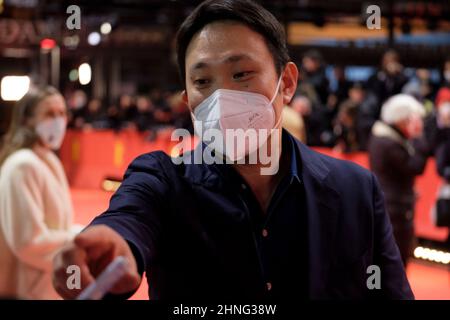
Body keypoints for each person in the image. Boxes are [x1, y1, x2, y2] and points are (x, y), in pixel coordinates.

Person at [53, 0, 413, 300]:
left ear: (286, 83)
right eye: (202, 81)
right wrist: (114, 245)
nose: (221, 97)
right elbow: (129, 219)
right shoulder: (162, 182)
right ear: (186, 100)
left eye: (241, 73)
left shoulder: (355, 190)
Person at [0, 86, 80, 299]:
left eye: (62, 113)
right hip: (26, 291)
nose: (58, 120)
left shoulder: (47, 159)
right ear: (27, 120)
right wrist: (78, 239)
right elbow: (29, 242)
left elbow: (55, 226)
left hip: (44, 287)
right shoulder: (23, 165)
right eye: (49, 113)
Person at [368, 94, 430, 267]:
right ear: (402, 118)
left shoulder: (382, 136)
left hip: (391, 204)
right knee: (395, 258)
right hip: (395, 208)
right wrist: (417, 137)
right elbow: (415, 166)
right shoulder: (388, 142)